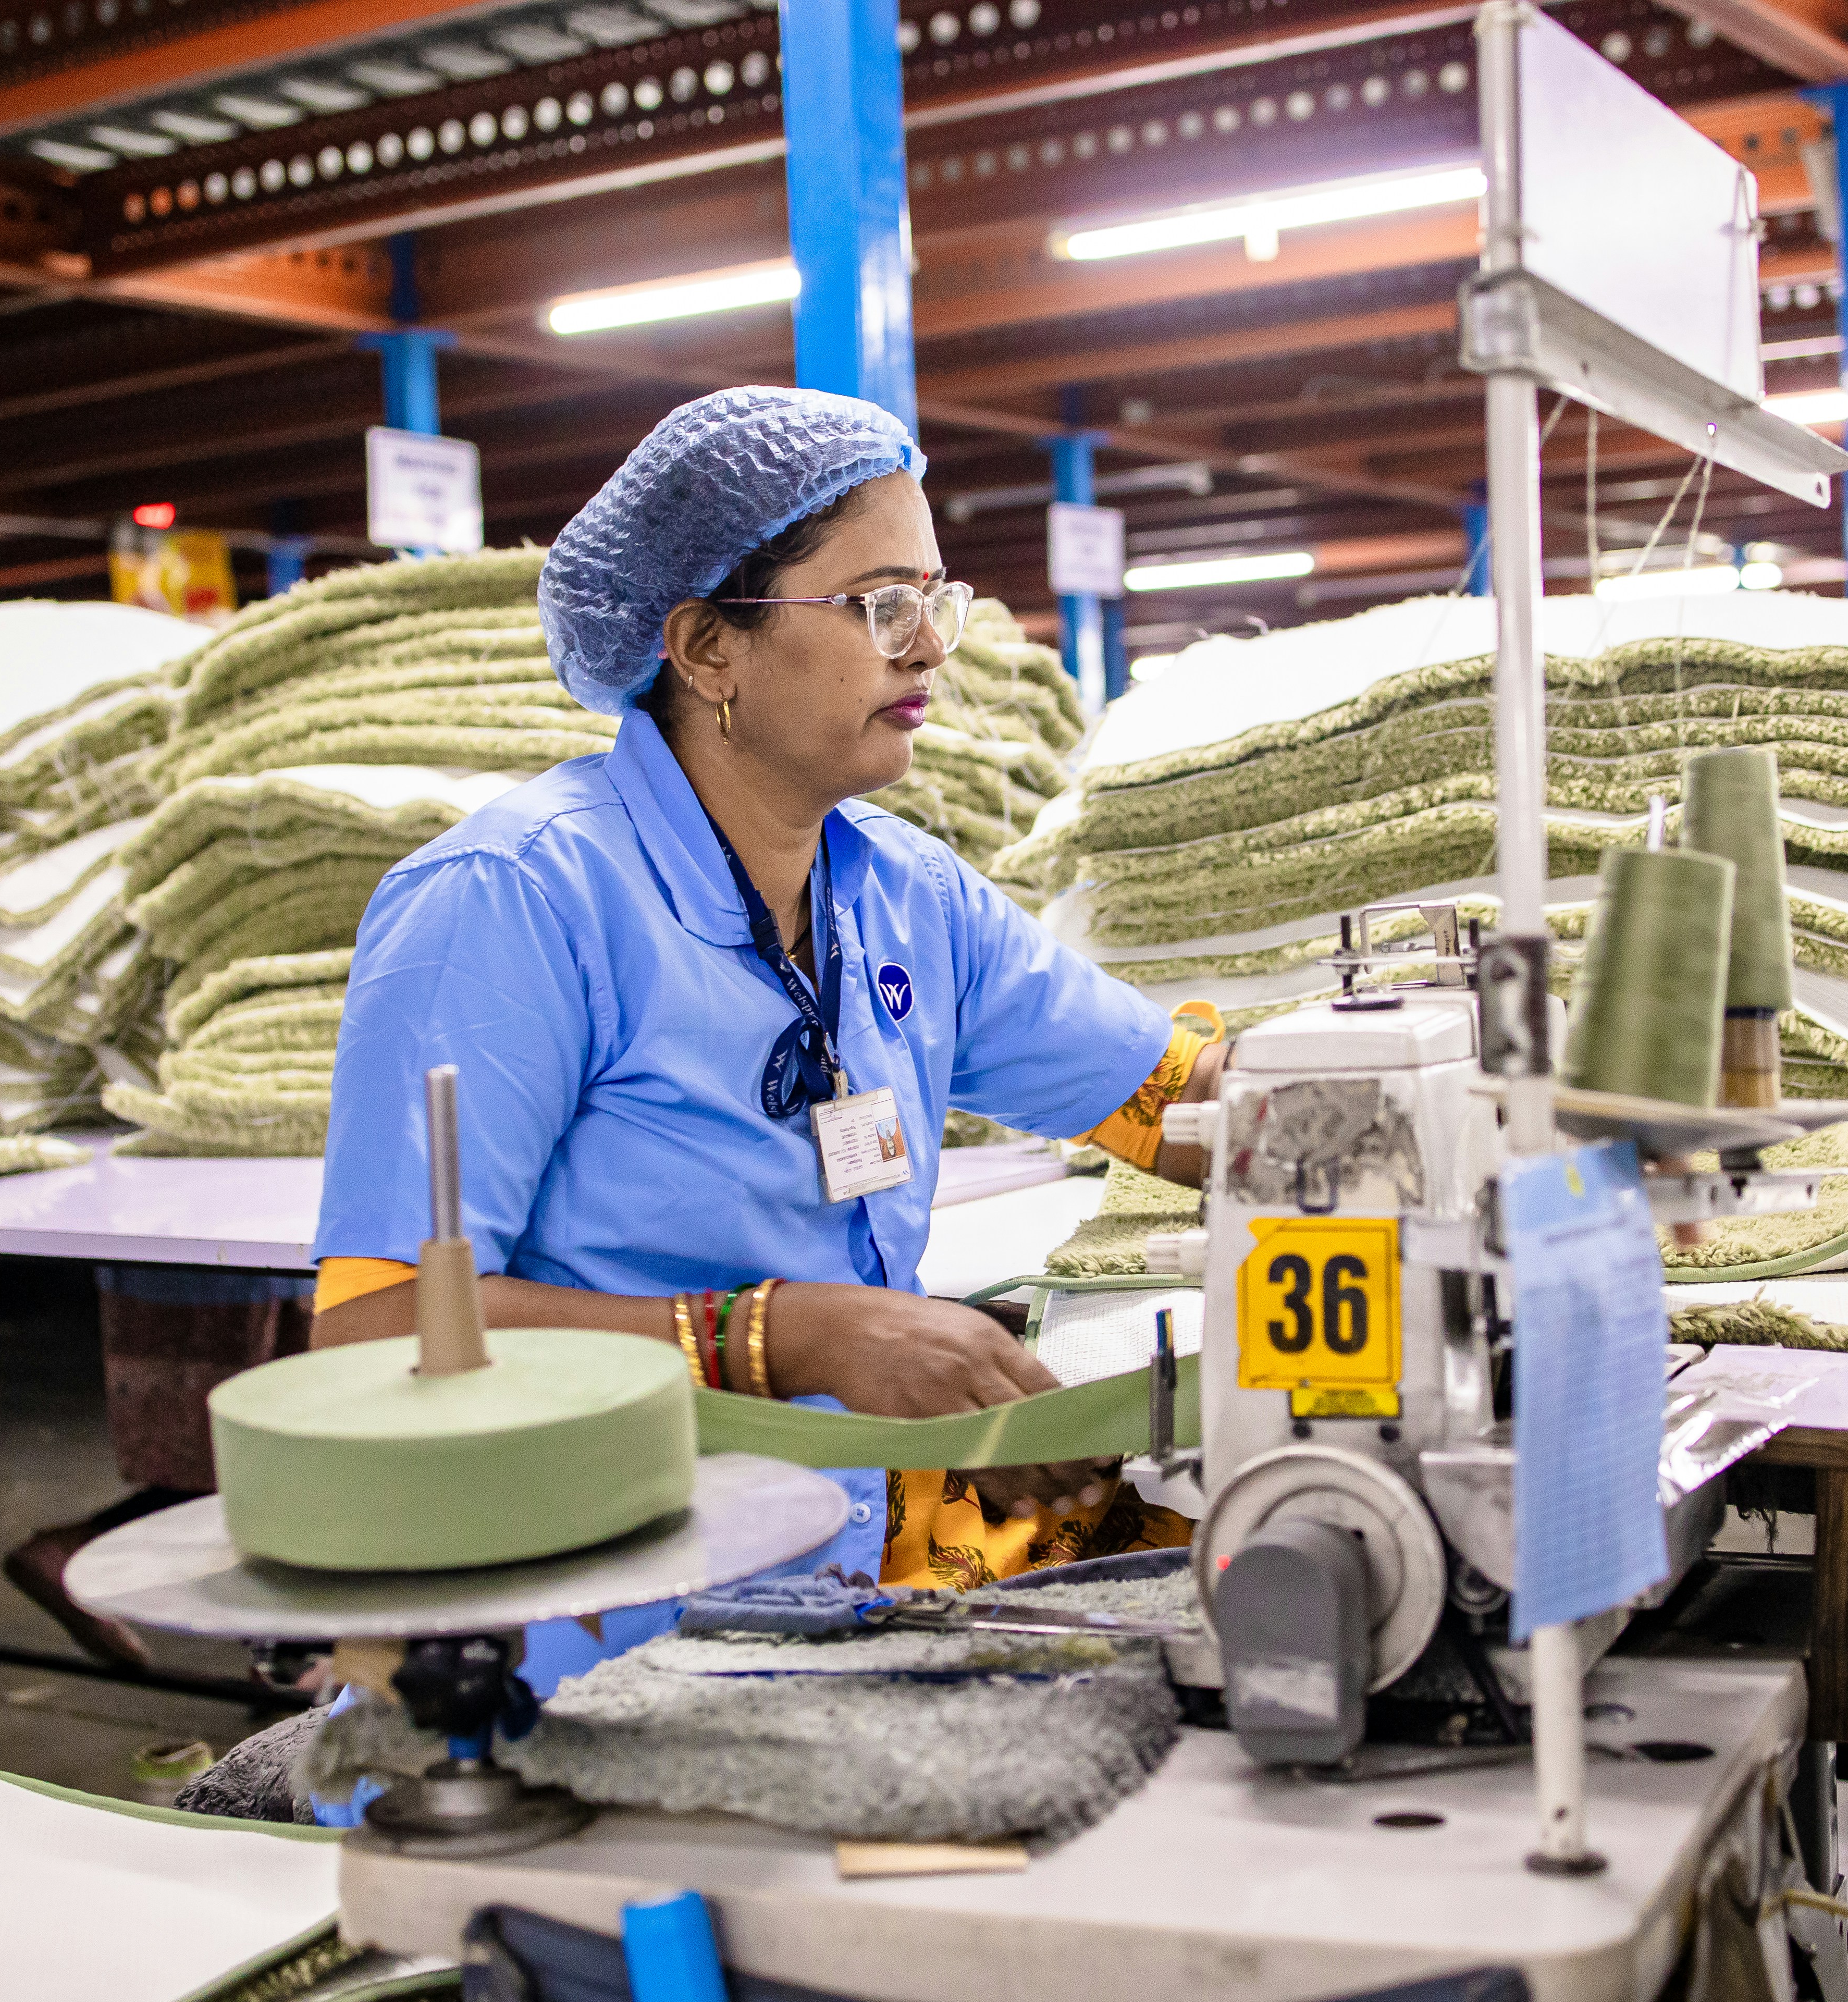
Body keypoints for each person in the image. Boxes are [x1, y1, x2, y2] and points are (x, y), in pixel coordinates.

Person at [311, 386, 1223, 1583]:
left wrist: (1406, 1113)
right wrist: (780, 1333)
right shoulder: (512, 903)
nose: (934, 645)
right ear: (705, 648)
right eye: (880, 605)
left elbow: (1172, 1097)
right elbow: (376, 1335)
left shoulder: (906, 898)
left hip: (850, 1574)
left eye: (934, 599)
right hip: (607, 1608)